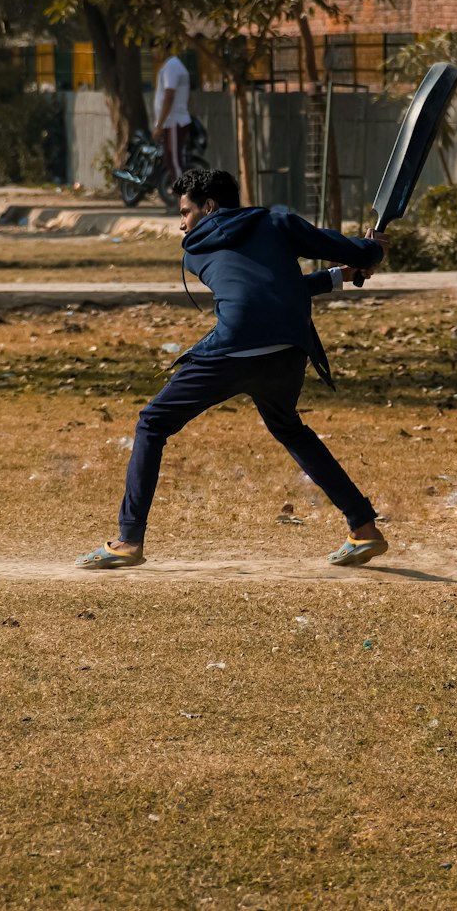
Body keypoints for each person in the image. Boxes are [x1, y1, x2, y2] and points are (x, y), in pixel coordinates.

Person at [77, 168, 390, 571]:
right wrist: (369, 252)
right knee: (290, 428)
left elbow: (254, 288)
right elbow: (280, 282)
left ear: (208, 207)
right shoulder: (277, 220)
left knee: (152, 423)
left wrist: (349, 267)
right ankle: (364, 528)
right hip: (287, 347)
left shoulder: (195, 250)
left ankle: (128, 541)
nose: (182, 223)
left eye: (186, 211)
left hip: (234, 347)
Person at [152, 45, 192, 179]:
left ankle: (183, 197)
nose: (154, 53)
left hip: (174, 120)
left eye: (155, 48)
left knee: (174, 162)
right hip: (173, 120)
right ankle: (181, 196)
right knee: (170, 160)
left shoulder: (171, 66)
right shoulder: (172, 65)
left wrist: (159, 126)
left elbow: (169, 96)